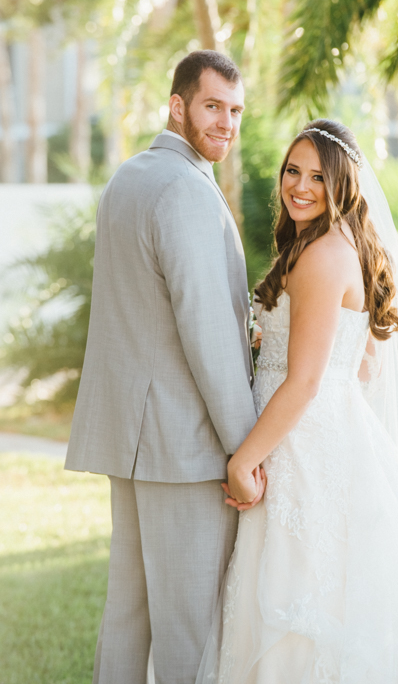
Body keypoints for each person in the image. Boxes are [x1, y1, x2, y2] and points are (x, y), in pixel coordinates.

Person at [197, 119, 398, 683]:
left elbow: (306, 382)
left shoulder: (320, 256)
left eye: (318, 176)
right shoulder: (342, 246)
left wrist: (243, 460)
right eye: (293, 171)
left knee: (300, 611)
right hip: (326, 441)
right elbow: (360, 364)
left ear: (344, 186)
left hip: (303, 453)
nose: (301, 186)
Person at [65, 50, 265, 684]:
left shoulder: (128, 176)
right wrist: (245, 451)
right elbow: (208, 336)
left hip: (131, 443)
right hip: (182, 449)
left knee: (127, 617)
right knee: (189, 633)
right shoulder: (186, 190)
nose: (226, 123)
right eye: (212, 106)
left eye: (235, 110)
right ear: (177, 105)